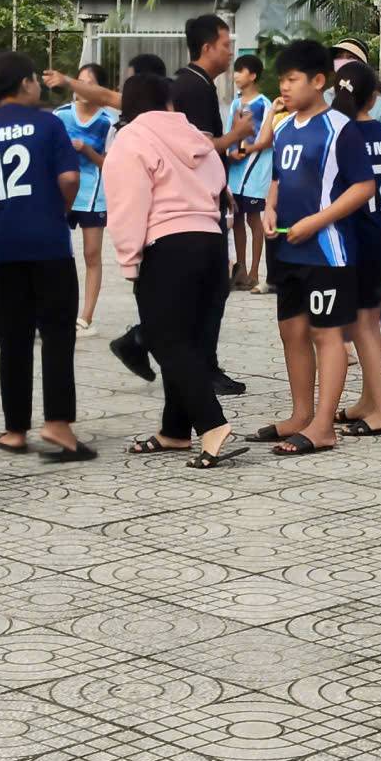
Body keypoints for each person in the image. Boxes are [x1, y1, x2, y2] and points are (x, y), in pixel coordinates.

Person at [108, 14, 250, 394]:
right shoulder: (192, 89)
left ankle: (160, 350)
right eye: (226, 45)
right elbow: (198, 148)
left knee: (205, 294)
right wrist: (236, 135)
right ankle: (189, 367)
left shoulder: (197, 86)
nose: (231, 52)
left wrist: (220, 188)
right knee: (199, 297)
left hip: (202, 208)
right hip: (182, 218)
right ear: (206, 47)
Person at [104, 71, 238, 466]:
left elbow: (128, 205)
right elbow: (219, 184)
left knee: (166, 340)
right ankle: (175, 431)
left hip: (168, 246)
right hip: (210, 242)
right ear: (168, 102)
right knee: (190, 339)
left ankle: (211, 423)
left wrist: (130, 262)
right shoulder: (196, 137)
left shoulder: (131, 139)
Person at [0, 51, 92, 462]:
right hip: (49, 245)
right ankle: (58, 424)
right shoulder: (49, 124)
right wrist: (60, 209)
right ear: (25, 84)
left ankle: (15, 430)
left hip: (3, 248)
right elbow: (70, 177)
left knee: (13, 340)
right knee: (57, 334)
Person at [259, 39, 379, 457]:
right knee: (292, 331)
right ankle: (300, 415)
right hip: (286, 248)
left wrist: (317, 221)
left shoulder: (340, 128)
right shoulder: (282, 128)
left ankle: (324, 426)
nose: (284, 87)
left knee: (325, 334)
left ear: (318, 81)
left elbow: (364, 187)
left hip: (327, 251)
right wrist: (269, 210)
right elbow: (278, 178)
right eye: (282, 80)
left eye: (292, 79)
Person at [331, 60, 381, 437]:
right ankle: (368, 400)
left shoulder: (340, 136)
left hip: (355, 236)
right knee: (370, 322)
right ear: (374, 98)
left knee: (361, 324)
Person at [55, 64, 117, 333]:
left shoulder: (108, 123)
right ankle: (57, 311)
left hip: (94, 196)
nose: (82, 88)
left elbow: (110, 165)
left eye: (89, 84)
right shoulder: (60, 116)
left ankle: (86, 317)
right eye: (79, 81)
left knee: (92, 255)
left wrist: (88, 151)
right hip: (62, 194)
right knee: (57, 254)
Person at [223, 55, 273, 293]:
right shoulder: (235, 104)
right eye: (234, 71)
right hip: (236, 172)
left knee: (254, 220)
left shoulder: (265, 104)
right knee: (237, 220)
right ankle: (240, 271)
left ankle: (254, 272)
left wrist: (242, 151)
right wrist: (230, 152)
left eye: (240, 71)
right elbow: (231, 132)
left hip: (255, 172)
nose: (235, 75)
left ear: (252, 75)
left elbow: (267, 139)